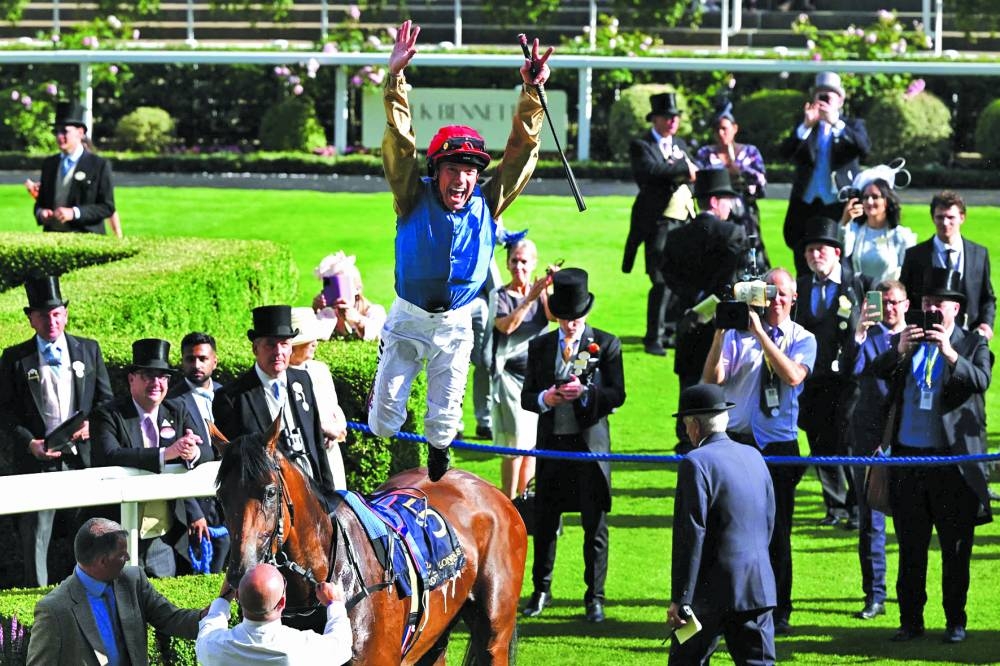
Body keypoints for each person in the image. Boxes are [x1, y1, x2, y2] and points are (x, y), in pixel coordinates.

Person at [367, 20, 552, 482]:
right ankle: (378, 450)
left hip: (455, 322)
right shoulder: (411, 193)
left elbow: (521, 151)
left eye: (471, 171)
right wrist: (395, 81)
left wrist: (531, 93)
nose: (463, 180)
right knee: (382, 422)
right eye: (454, 169)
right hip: (408, 317)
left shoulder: (489, 202)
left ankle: (436, 464)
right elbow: (400, 143)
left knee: (445, 420)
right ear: (437, 170)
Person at [872, 268, 993, 643]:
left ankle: (956, 621)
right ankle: (911, 622)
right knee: (910, 550)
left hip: (950, 465)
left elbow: (980, 380)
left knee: (955, 551)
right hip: (908, 462)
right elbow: (876, 371)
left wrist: (950, 353)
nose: (931, 310)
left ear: (955, 308)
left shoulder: (972, 343)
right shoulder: (909, 340)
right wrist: (899, 350)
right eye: (926, 303)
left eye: (939, 303)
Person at [702, 267, 817, 635]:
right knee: (729, 530)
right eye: (771, 293)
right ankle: (729, 606)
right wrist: (721, 332)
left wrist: (761, 335)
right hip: (737, 441)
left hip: (778, 446)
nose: (777, 300)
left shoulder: (802, 337)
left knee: (777, 531)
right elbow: (712, 380)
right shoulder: (738, 335)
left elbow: (793, 376)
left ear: (793, 298)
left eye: (783, 294)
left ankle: (780, 609)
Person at [520, 268, 626, 623]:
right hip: (552, 448)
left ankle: (594, 598)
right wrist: (546, 398)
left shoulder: (607, 344)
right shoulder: (540, 346)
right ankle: (541, 591)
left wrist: (586, 394)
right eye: (564, 318)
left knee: (594, 527)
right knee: (546, 523)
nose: (570, 325)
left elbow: (617, 394)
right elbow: (526, 397)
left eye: (576, 318)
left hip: (589, 450)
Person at [0, 273, 112, 588]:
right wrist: (29, 443)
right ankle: (34, 603)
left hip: (81, 460)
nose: (51, 321)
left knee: (86, 535)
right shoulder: (14, 358)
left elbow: (105, 401)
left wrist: (92, 425)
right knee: (36, 538)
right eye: (42, 315)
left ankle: (86, 596)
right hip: (38, 463)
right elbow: (5, 411)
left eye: (56, 313)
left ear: (64, 313)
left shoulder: (89, 350)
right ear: (30, 319)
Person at [667, 384, 776, 666]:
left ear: (693, 426)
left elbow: (690, 533)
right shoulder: (754, 455)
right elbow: (768, 520)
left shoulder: (696, 462)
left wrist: (681, 598)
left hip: (708, 594)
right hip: (758, 587)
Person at [91, 338, 213, 578]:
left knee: (160, 605)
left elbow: (208, 451)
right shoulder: (108, 415)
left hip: (163, 537)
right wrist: (165, 455)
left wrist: (192, 452)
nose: (156, 383)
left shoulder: (177, 410)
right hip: (117, 536)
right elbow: (108, 455)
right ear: (131, 379)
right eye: (148, 375)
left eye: (163, 377)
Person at [26, 517, 204, 666]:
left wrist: (209, 616)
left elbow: (170, 618)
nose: (128, 558)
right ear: (102, 561)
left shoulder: (133, 580)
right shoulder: (54, 610)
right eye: (122, 554)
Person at [661, 169, 748, 449]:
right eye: (726, 199)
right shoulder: (733, 233)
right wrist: (708, 300)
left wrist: (693, 299)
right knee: (721, 381)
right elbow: (733, 280)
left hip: (687, 321)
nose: (730, 205)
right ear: (713, 201)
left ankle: (687, 435)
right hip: (720, 325)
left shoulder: (676, 237)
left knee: (689, 381)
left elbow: (667, 277)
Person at [214, 305, 337, 500]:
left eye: (284, 344)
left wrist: (329, 493)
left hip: (313, 493)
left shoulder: (302, 380)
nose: (278, 352)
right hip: (271, 500)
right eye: (270, 345)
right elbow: (235, 466)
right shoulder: (232, 397)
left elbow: (316, 444)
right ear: (256, 348)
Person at [794, 217, 867, 529]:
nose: (815, 256)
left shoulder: (860, 284)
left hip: (849, 380)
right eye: (810, 251)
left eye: (821, 249)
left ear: (837, 252)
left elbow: (872, 329)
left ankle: (856, 506)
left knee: (849, 441)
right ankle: (834, 507)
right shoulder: (801, 285)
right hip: (812, 379)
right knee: (820, 441)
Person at [846, 280, 910, 621]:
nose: (891, 308)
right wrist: (857, 332)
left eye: (897, 302)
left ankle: (909, 595)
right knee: (870, 520)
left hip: (909, 438)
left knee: (910, 522)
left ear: (906, 303)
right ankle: (875, 595)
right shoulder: (868, 336)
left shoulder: (916, 337)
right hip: (868, 438)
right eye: (885, 303)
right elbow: (850, 369)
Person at [623, 91, 698, 356]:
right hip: (658, 222)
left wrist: (681, 170)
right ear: (654, 119)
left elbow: (692, 172)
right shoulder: (642, 146)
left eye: (674, 117)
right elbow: (650, 173)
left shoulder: (679, 143)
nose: (672, 122)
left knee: (681, 278)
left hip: (684, 219)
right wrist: (680, 170)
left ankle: (670, 332)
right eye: (667, 117)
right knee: (660, 279)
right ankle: (652, 336)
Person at [781, 72, 870, 275]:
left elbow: (864, 148)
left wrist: (836, 123)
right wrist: (805, 126)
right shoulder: (805, 125)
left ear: (840, 100)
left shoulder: (852, 126)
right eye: (820, 96)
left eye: (829, 96)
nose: (824, 100)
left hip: (837, 205)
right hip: (806, 206)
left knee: (840, 259)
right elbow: (785, 153)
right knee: (805, 260)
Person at [491, 238, 554, 498]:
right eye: (514, 260)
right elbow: (505, 326)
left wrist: (550, 289)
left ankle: (524, 498)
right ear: (507, 264)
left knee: (532, 446)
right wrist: (528, 299)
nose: (519, 266)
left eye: (524, 261)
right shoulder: (501, 296)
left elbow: (556, 317)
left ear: (534, 264)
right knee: (515, 445)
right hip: (509, 380)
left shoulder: (541, 296)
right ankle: (509, 499)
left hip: (537, 379)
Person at [196, 563, 352, 665]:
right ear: (283, 602)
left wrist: (225, 596)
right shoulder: (300, 647)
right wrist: (335, 603)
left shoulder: (212, 646)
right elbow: (342, 646)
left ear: (238, 597)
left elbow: (212, 621)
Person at [166, 332, 230, 574]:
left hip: (226, 496)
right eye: (190, 359)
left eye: (203, 359)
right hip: (194, 505)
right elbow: (174, 464)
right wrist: (192, 512)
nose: (196, 365)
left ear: (215, 361)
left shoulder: (227, 394)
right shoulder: (170, 400)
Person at [899, 190, 996, 340]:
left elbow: (987, 297)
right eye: (940, 217)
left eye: (951, 217)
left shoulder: (979, 254)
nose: (945, 223)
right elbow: (906, 297)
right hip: (928, 336)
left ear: (962, 218)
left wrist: (986, 324)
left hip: (969, 337)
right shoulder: (916, 255)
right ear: (932, 218)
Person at [694, 101, 770, 272]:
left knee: (749, 258)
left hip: (745, 215)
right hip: (716, 216)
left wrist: (740, 171)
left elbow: (761, 183)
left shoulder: (749, 152)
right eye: (717, 130)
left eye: (724, 128)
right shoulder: (705, 154)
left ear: (734, 128)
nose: (721, 134)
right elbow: (699, 181)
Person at [33, 101, 116, 235]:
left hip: (85, 237)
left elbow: (107, 207)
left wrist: (75, 213)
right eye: (56, 132)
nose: (60, 136)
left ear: (80, 132)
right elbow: (40, 202)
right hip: (53, 238)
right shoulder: (50, 164)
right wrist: (41, 212)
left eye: (65, 131)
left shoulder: (99, 165)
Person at [289, 306, 349, 490]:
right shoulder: (283, 375)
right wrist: (320, 430)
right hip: (303, 459)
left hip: (331, 453)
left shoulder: (320, 369)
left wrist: (338, 429)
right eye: (309, 339)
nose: (315, 343)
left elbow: (335, 408)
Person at [839, 176, 916, 284]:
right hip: (859, 294)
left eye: (875, 197)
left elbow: (909, 273)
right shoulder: (855, 230)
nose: (869, 202)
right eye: (865, 197)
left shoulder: (900, 235)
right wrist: (844, 222)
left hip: (887, 296)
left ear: (886, 201)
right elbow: (843, 251)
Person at [311, 250, 387, 341]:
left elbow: (382, 334)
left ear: (358, 289)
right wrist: (315, 310)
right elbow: (310, 333)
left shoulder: (375, 311)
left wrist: (358, 321)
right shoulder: (328, 313)